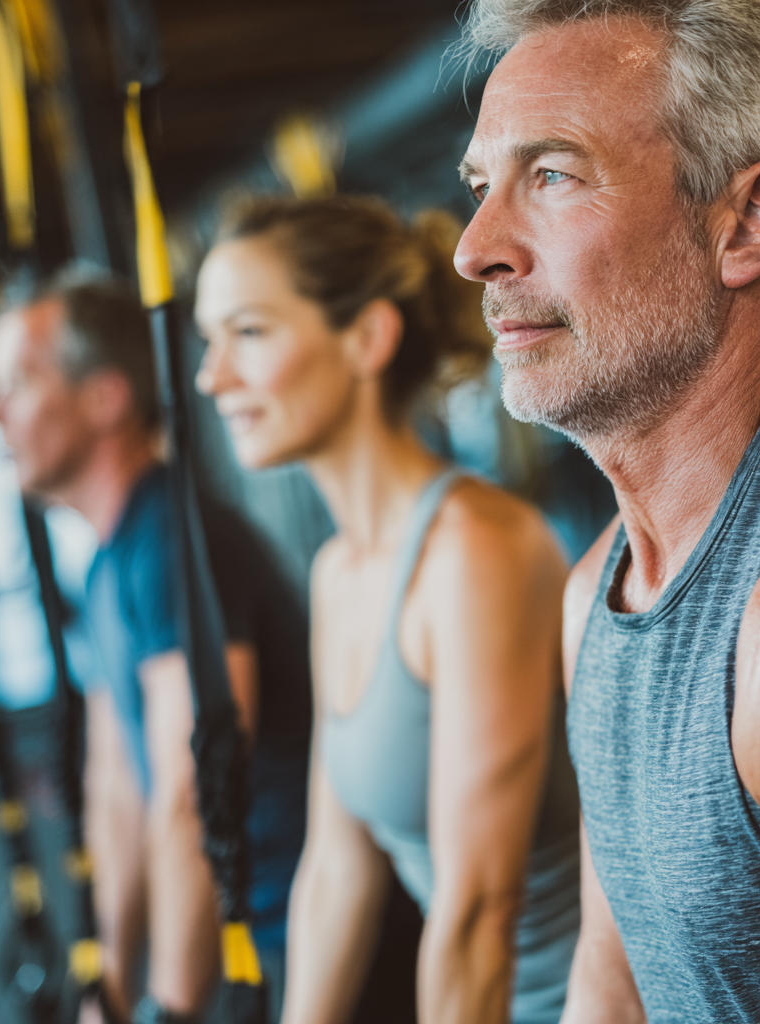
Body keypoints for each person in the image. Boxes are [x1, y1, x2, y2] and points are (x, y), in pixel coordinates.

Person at [452, 0, 760, 1021]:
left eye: (550, 175)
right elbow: (613, 983)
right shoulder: (595, 590)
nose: (476, 249)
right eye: (480, 186)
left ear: (749, 222)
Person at [193, 196, 581, 1024]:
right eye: (209, 339)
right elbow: (338, 869)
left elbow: (478, 913)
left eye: (249, 333)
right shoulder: (340, 571)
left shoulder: (476, 552)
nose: (211, 376)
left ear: (367, 338)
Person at [0, 277, 312, 1024]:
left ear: (104, 399)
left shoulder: (170, 541)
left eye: (19, 384)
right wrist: (110, 982)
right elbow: (115, 789)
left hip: (289, 944)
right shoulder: (107, 564)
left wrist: (170, 1004)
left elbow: (186, 792)